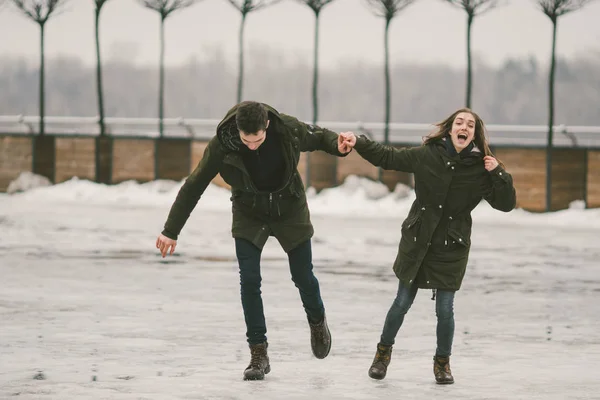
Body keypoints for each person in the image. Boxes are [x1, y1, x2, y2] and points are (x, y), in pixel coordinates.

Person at [155, 101, 352, 381]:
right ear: (238, 130)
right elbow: (194, 185)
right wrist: (170, 230)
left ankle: (317, 320)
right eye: (246, 140)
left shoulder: (286, 128)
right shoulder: (222, 144)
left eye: (258, 139)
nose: (252, 146)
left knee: (302, 276)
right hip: (249, 211)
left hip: (289, 209)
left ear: (267, 127)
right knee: (249, 280)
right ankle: (258, 353)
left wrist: (338, 144)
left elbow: (318, 136)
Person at [338, 108, 516, 384]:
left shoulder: (482, 167)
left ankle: (442, 363)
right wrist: (360, 142)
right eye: (459, 122)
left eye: (470, 124)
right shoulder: (427, 155)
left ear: (474, 134)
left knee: (445, 309)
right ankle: (382, 355)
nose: (464, 126)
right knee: (401, 302)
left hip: (451, 245)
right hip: (419, 239)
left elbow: (506, 204)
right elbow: (387, 157)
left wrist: (499, 173)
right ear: (449, 129)